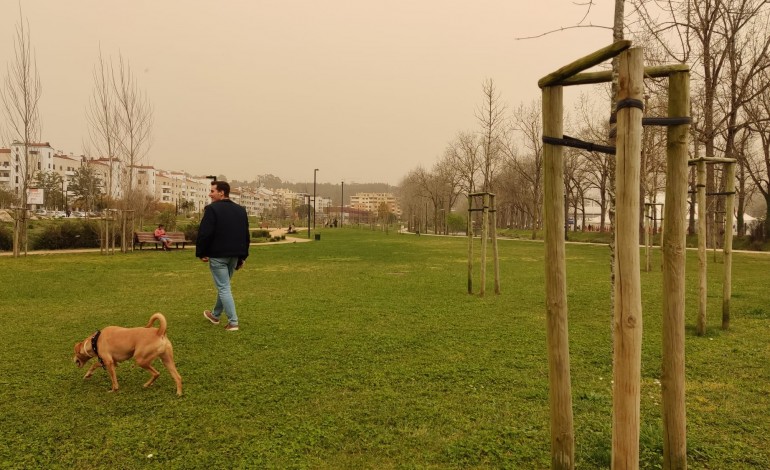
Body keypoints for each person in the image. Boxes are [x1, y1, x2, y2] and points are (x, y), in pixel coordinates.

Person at [196, 181, 250, 331]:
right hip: (234, 256)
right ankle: (215, 315)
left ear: (221, 192)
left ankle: (233, 322)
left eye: (212, 191)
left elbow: (205, 233)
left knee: (224, 287)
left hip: (218, 256)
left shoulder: (212, 209)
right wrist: (242, 256)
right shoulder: (240, 210)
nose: (209, 194)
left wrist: (201, 252)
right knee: (224, 286)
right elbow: (245, 235)